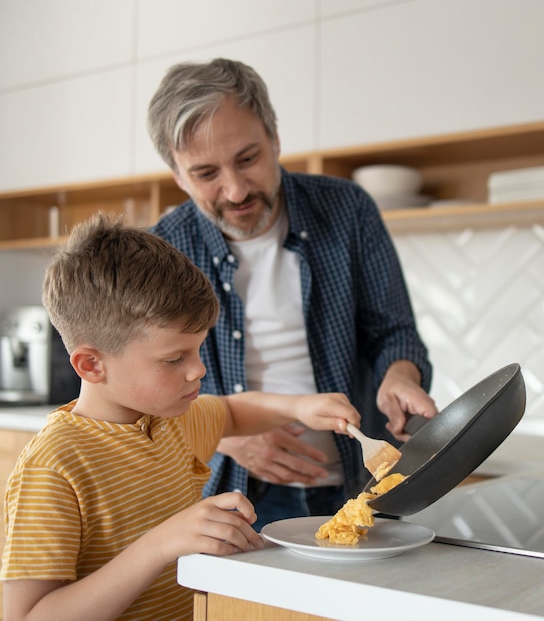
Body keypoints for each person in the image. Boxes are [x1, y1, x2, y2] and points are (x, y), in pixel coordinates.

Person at [0, 213, 362, 621]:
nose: (198, 370)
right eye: (174, 358)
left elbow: (230, 412)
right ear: (91, 365)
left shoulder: (171, 420)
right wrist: (160, 544)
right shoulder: (54, 465)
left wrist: (298, 407)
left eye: (197, 350)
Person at [149, 57, 438, 530]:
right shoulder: (162, 250)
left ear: (275, 138)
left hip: (359, 487)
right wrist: (225, 435)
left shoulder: (348, 210)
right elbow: (145, 395)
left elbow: (394, 333)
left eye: (248, 159)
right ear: (177, 175)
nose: (236, 189)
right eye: (205, 174)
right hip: (232, 498)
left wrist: (399, 377)